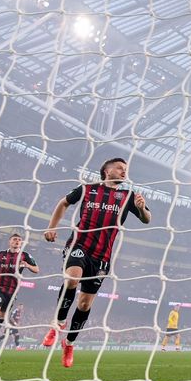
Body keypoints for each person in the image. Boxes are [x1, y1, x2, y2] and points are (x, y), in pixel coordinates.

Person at [43, 157, 151, 368]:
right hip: (79, 244)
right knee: (72, 279)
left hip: (102, 256)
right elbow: (63, 203)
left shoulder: (128, 196)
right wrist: (51, 226)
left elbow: (147, 219)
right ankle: (58, 324)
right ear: (106, 171)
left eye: (126, 169)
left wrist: (140, 209)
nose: (124, 172)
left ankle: (69, 343)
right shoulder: (87, 189)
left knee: (85, 303)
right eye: (119, 168)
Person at [0, 233, 39, 356]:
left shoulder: (25, 255)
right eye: (15, 239)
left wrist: (27, 265)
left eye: (19, 240)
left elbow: (37, 269)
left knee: (1, 317)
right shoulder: (1, 254)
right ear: (9, 242)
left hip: (12, 291)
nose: (17, 241)